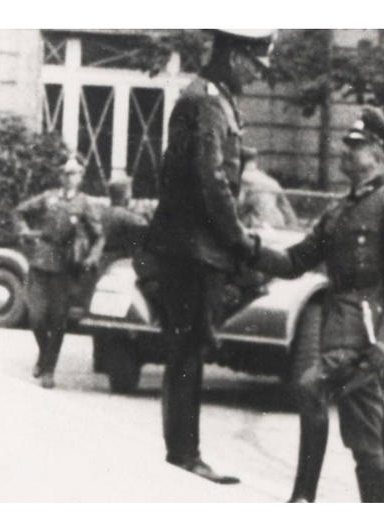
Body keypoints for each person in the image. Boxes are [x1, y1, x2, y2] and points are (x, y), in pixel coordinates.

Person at [243, 106, 384, 502]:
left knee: (313, 391)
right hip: (338, 334)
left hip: (367, 338)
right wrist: (248, 248)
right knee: (364, 440)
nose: (345, 151)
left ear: (377, 156)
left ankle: (304, 498)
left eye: (355, 146)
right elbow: (294, 261)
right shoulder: (340, 212)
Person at [142, 29, 272, 484]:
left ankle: (182, 451)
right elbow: (211, 180)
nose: (256, 75)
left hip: (193, 245)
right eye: (255, 65)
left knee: (190, 344)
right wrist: (239, 240)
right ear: (236, 56)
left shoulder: (211, 97)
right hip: (194, 248)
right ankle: (184, 454)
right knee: (189, 347)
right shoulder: (208, 102)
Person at [13, 155, 105, 389]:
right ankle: (44, 354)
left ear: (81, 178)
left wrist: (92, 257)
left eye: (74, 173)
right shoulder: (49, 197)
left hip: (65, 265)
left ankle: (49, 370)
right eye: (66, 173)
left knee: (58, 320)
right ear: (60, 176)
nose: (69, 177)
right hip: (42, 258)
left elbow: (99, 235)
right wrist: (24, 232)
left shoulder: (84, 203)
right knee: (36, 317)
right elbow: (19, 211)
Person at [238, 146, 298, 229]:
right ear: (256, 161)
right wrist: (293, 227)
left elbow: (238, 206)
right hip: (278, 225)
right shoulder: (270, 181)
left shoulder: (241, 180)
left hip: (258, 227)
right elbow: (286, 208)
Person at [99, 175, 148, 271]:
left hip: (103, 258)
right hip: (120, 261)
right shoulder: (127, 216)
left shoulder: (104, 212)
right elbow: (144, 226)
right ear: (126, 195)